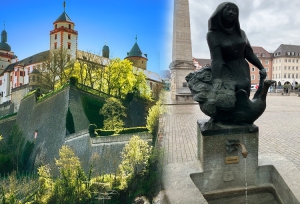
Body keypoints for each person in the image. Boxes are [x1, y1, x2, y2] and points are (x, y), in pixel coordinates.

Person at [207, 2, 267, 97]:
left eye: (235, 10)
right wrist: (216, 79)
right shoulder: (213, 35)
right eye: (228, 9)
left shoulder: (241, 33)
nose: (231, 12)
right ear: (220, 12)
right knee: (230, 95)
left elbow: (249, 54)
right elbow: (217, 59)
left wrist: (261, 68)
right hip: (226, 69)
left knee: (245, 91)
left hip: (242, 68)